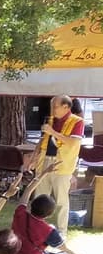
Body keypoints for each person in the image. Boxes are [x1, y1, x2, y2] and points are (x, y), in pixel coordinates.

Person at [8, 171, 93, 254]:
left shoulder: (20, 214)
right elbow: (66, 250)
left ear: (31, 205)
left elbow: (28, 191)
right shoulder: (48, 230)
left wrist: (45, 172)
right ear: (49, 214)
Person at [35, 94, 85, 229]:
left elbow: (72, 142)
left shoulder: (77, 121)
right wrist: (34, 156)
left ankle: (61, 231)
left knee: (61, 200)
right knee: (39, 197)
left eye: (55, 106)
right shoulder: (51, 120)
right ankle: (38, 229)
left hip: (62, 164)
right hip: (44, 161)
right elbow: (43, 140)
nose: (53, 109)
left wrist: (53, 132)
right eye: (52, 106)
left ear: (66, 107)